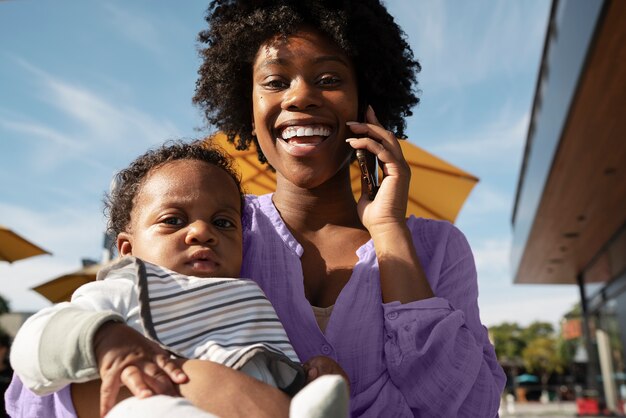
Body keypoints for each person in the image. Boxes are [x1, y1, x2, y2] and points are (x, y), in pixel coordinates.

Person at [6, 1, 506, 417]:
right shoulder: (208, 233)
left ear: (366, 100)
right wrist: (199, 387)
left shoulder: (437, 249)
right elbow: (35, 398)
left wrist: (389, 230)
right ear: (247, 105)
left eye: (329, 78)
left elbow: (468, 406)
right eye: (275, 80)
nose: (300, 97)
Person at [10, 140, 349, 418]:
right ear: (127, 249)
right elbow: (33, 340)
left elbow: (264, 377)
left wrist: (309, 376)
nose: (202, 231)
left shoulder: (247, 299)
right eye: (173, 220)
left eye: (223, 222)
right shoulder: (129, 287)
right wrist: (104, 340)